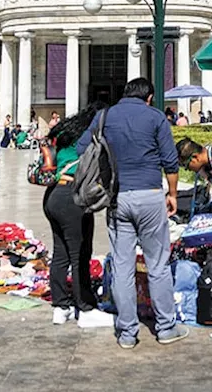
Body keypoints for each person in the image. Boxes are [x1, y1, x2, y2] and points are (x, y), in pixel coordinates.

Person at [76, 77, 188, 349]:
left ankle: (127, 332)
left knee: (123, 267)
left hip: (117, 198)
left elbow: (82, 149)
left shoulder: (104, 116)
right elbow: (170, 161)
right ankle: (165, 327)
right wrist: (172, 194)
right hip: (150, 195)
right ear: (148, 97)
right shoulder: (155, 117)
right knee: (157, 265)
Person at [42, 102, 111, 328]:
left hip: (54, 195)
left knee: (60, 252)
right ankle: (85, 307)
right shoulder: (90, 134)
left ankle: (61, 306)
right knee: (80, 253)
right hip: (73, 196)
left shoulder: (64, 132)